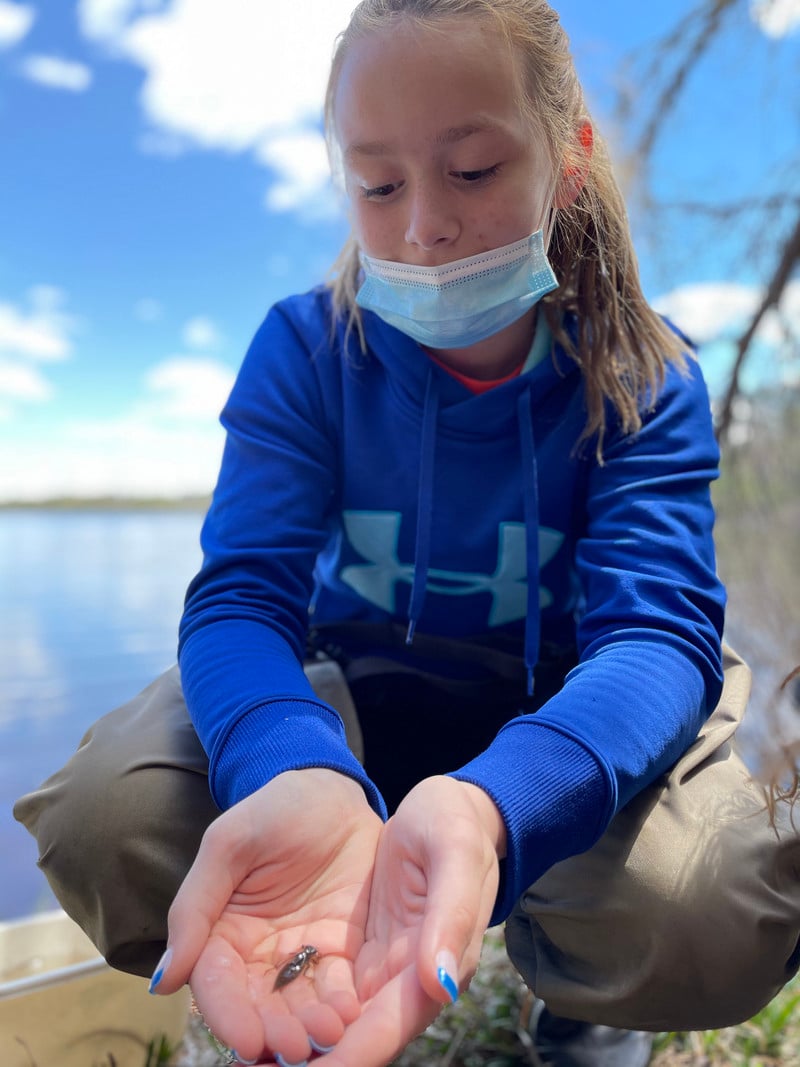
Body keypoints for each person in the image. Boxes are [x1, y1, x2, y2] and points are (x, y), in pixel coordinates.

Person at [15, 2, 800, 1066]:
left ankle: (580, 991)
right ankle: (288, 943)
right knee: (106, 816)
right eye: (377, 184)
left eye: (471, 169)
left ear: (565, 162)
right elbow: (242, 598)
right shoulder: (304, 348)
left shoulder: (645, 377)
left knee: (713, 910)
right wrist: (291, 765)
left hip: (560, 714)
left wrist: (498, 805)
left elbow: (657, 640)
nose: (422, 223)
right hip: (358, 696)